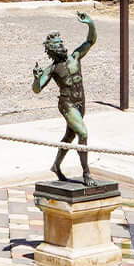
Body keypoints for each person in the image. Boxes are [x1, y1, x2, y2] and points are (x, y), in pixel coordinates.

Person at [31, 12, 99, 182]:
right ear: (51, 49)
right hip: (67, 103)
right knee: (82, 133)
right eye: (57, 43)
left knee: (69, 137)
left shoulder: (75, 57)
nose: (61, 45)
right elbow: (37, 89)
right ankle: (86, 173)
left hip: (80, 102)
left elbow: (90, 41)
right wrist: (36, 79)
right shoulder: (52, 69)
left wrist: (90, 24)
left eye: (61, 42)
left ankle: (56, 165)